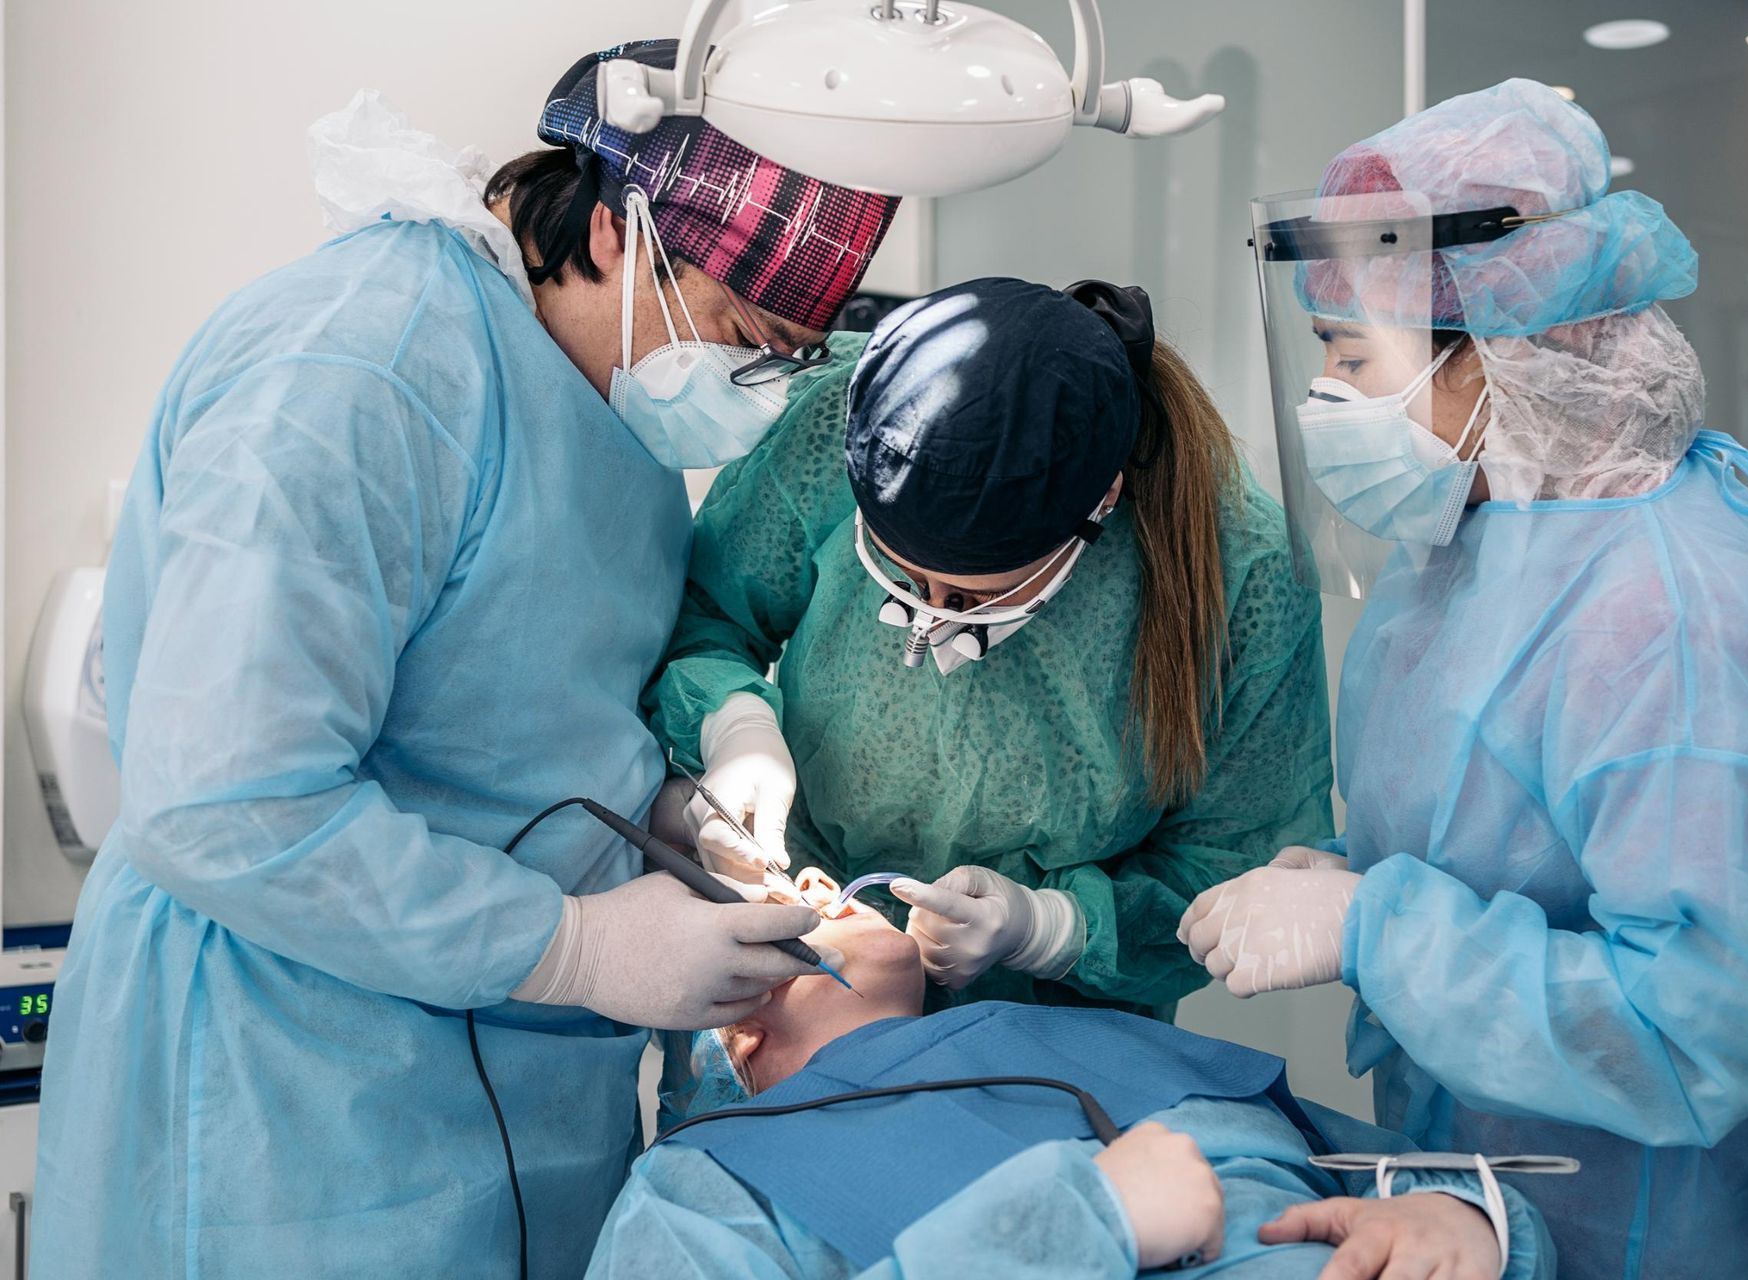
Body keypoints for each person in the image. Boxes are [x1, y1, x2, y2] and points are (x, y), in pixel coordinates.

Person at [32, 40, 898, 1280]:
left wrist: (672, 811)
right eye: (738, 333)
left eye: (788, 359)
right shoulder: (359, 369)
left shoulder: (601, 399)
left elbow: (512, 718)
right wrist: (582, 947)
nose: (748, 390)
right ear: (614, 232)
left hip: (504, 1106)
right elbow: (229, 799)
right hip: (288, 1098)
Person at [1180, 79, 1748, 1280]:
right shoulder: (1497, 534)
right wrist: (1361, 881)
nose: (1328, 396)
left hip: (1644, 1226)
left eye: (1356, 352)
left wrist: (1375, 925)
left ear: (1509, 354)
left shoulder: (1673, 618)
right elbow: (1516, 835)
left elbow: (1697, 1028)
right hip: (1481, 1191)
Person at [644, 277, 1332, 1062]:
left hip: (1062, 1046)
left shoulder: (1242, 576)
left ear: (1101, 501)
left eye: (969, 595)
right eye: (900, 579)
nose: (927, 618)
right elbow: (706, 614)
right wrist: (737, 728)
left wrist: (1051, 928)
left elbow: (1237, 867)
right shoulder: (836, 427)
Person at [585, 898, 1558, 1279]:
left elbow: (1448, 1180)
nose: (812, 886)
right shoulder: (700, 1186)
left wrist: (1463, 1216)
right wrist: (1072, 1222)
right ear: (735, 1032)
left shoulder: (1099, 1038)